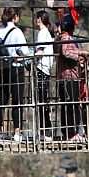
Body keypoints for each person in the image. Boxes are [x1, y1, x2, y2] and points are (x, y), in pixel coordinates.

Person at [0, 3, 31, 139]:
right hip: (16, 69)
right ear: (15, 17)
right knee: (17, 101)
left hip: (2, 68)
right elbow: (25, 52)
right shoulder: (17, 32)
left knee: (2, 99)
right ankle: (17, 132)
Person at [56, 8, 87, 143]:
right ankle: (71, 133)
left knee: (68, 105)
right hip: (69, 76)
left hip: (67, 76)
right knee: (71, 105)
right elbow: (66, 53)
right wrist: (80, 55)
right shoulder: (65, 38)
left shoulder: (61, 38)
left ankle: (68, 132)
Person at [33, 8, 56, 142]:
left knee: (41, 101)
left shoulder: (42, 32)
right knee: (43, 100)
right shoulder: (47, 32)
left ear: (40, 19)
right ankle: (45, 131)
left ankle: (45, 131)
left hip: (42, 68)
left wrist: (30, 57)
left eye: (37, 18)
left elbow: (40, 51)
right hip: (46, 69)